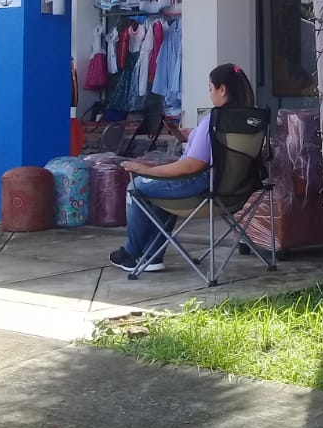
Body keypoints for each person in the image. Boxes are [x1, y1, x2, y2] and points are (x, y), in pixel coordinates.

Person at [109, 63, 255, 273]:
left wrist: (145, 170)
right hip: (237, 192)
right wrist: (193, 137)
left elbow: (191, 166)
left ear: (222, 89)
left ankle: (132, 252)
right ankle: (152, 256)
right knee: (159, 190)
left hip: (202, 188)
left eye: (210, 89)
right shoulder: (250, 120)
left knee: (136, 186)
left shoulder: (214, 120)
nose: (210, 94)